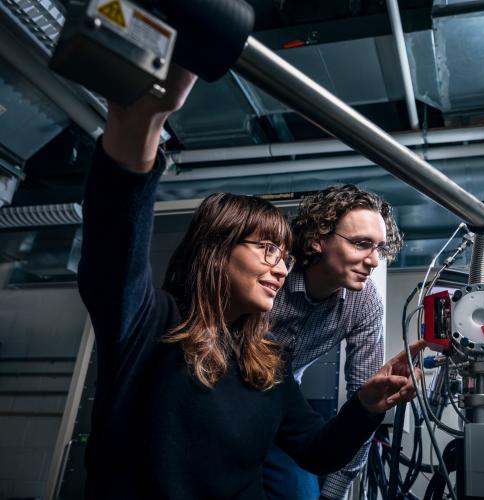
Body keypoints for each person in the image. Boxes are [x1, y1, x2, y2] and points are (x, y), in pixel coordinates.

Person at [77, 65, 424, 499]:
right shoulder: (150, 323)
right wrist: (140, 122)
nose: (281, 269)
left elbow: (315, 451)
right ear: (216, 249)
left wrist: (367, 405)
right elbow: (114, 249)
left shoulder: (270, 365)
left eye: (284, 255)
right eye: (267, 249)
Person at [263, 186, 402, 500]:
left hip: (285, 407)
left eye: (378, 247)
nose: (375, 261)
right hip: (232, 391)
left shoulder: (365, 304)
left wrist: (334, 492)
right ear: (317, 238)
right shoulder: (273, 272)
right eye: (361, 244)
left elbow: (363, 405)